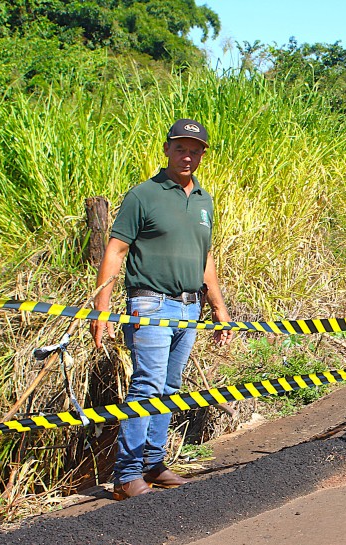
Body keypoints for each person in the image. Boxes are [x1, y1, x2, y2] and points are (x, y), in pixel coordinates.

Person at [90, 118, 232, 500]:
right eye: (181, 148)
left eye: (195, 150)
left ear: (203, 154)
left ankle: (153, 465)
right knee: (147, 386)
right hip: (150, 303)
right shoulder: (143, 195)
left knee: (169, 388)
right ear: (167, 149)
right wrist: (101, 308)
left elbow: (206, 258)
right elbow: (116, 250)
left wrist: (218, 308)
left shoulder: (204, 200)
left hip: (189, 307)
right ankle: (126, 474)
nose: (188, 156)